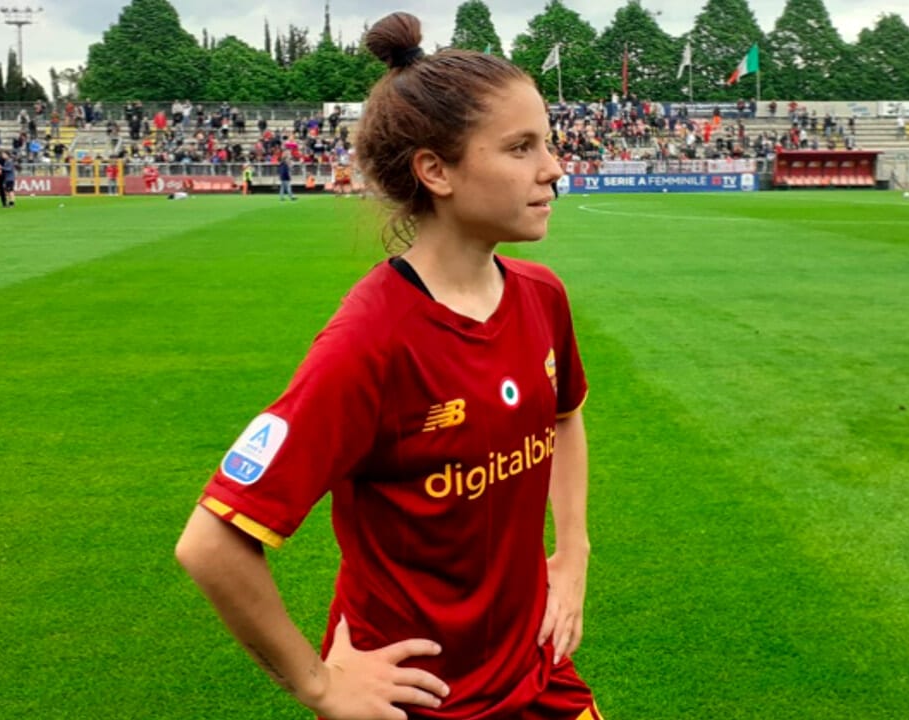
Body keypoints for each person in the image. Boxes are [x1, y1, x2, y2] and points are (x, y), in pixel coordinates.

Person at [175, 11, 599, 720]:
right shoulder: (371, 340)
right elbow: (211, 543)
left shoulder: (541, 296)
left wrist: (572, 550)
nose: (554, 168)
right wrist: (318, 685)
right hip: (421, 698)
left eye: (549, 144)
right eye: (522, 147)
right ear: (435, 170)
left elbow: (564, 415)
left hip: (534, 671)